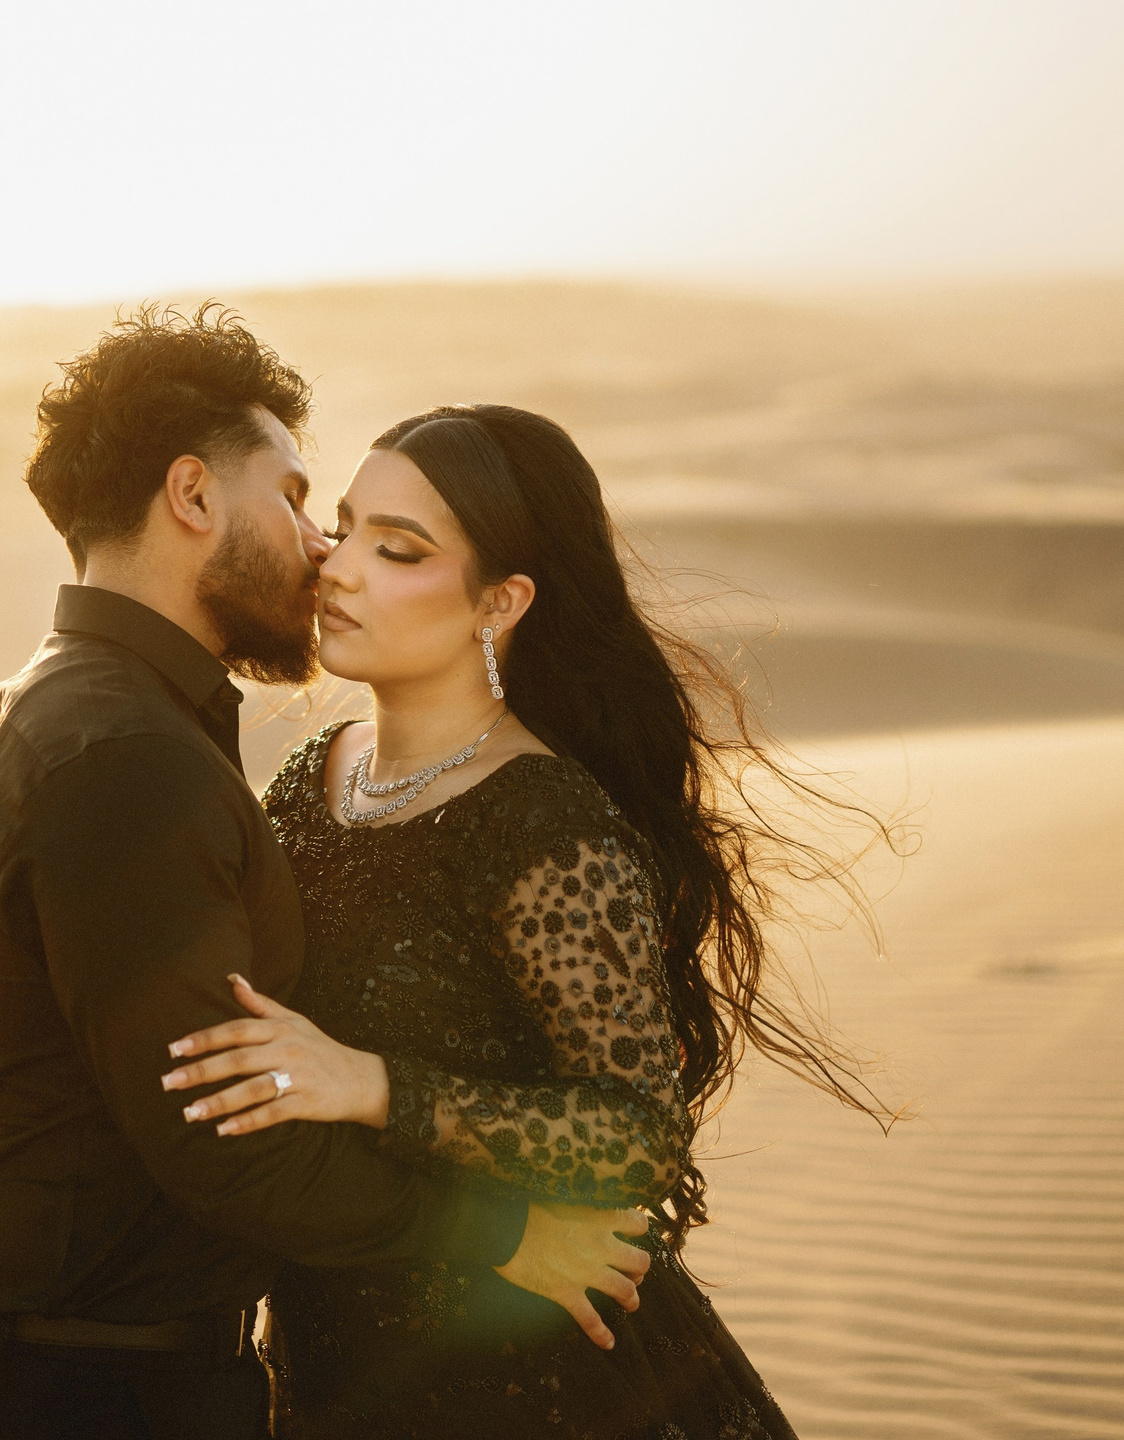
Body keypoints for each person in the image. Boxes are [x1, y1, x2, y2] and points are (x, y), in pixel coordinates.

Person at [0, 317, 654, 1440]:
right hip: (92, 1390)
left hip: (83, 1370)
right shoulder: (129, 756)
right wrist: (503, 1234)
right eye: (302, 502)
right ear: (193, 496)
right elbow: (223, 1134)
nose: (319, 550)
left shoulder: (56, 708)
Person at [156, 404, 898, 1437]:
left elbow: (638, 1138)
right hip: (337, 1363)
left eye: (399, 549)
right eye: (345, 525)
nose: (341, 568)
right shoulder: (305, 782)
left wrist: (368, 1086)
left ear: (496, 603)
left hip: (539, 1382)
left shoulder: (541, 823)